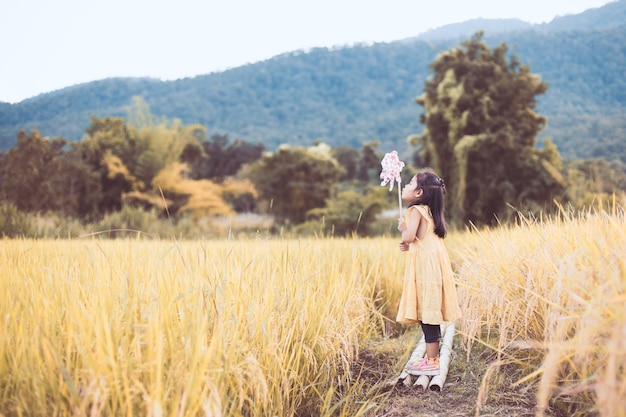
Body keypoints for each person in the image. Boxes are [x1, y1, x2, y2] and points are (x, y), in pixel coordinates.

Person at [396, 169, 462, 375]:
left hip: (425, 271)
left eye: (410, 183)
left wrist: (404, 229)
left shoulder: (416, 211)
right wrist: (411, 242)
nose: (405, 186)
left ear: (419, 193)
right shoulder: (432, 213)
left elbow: (409, 236)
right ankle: (432, 358)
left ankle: (432, 360)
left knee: (427, 314)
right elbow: (420, 240)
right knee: (430, 311)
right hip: (435, 269)